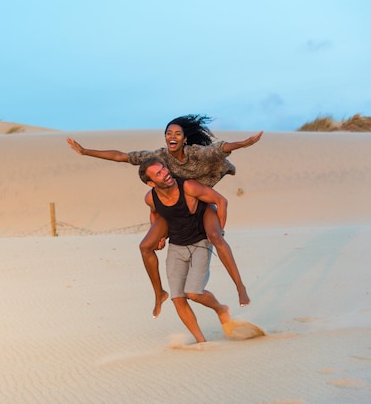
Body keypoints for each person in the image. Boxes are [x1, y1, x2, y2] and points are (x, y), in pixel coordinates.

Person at [67, 115, 262, 317]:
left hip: (200, 203)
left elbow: (219, 149)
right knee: (145, 246)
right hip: (174, 208)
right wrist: (84, 151)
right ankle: (159, 293)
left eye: (177, 133)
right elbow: (122, 156)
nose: (172, 136)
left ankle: (240, 287)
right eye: (168, 133)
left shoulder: (194, 153)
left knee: (215, 237)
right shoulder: (159, 158)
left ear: (184, 139)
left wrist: (244, 144)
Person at [139, 157, 231, 343]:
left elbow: (220, 201)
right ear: (150, 182)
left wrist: (219, 231)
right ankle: (201, 341)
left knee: (194, 292)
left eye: (164, 168)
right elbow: (154, 211)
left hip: (199, 242)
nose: (165, 172)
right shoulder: (151, 198)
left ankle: (221, 309)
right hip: (176, 245)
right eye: (158, 173)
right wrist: (160, 236)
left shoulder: (186, 187)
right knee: (178, 298)